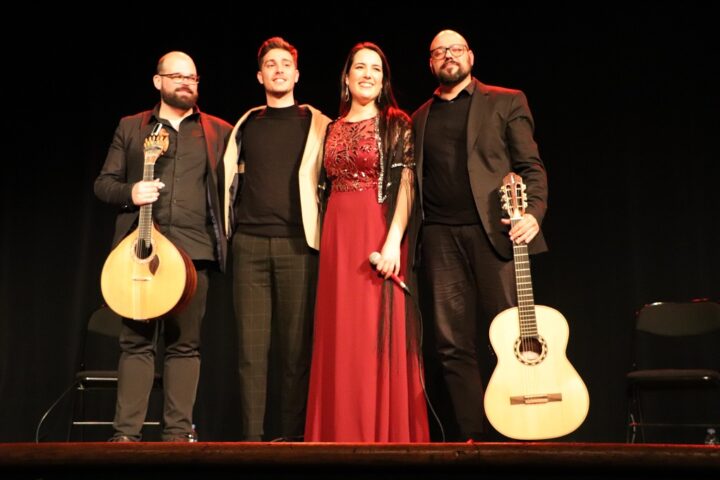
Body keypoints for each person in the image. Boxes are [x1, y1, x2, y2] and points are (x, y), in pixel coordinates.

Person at [411, 30, 548, 441]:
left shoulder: (506, 100)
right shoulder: (419, 118)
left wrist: (534, 214)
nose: (448, 56)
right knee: (451, 345)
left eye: (456, 49)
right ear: (430, 63)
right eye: (439, 52)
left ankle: (519, 432)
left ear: (470, 56)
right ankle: (472, 440)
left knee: (511, 336)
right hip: (439, 238)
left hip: (496, 235)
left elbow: (531, 166)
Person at [94, 51, 232, 442]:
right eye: (177, 76)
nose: (186, 83)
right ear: (158, 81)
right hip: (139, 251)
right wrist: (131, 191)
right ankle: (126, 436)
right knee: (136, 343)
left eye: (192, 77)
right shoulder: (132, 127)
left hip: (194, 253)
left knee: (185, 345)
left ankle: (176, 437)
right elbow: (103, 184)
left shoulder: (218, 131)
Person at [304, 42, 430, 442]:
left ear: (384, 80)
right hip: (337, 236)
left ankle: (379, 434)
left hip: (377, 232)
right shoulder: (331, 127)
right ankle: (337, 433)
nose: (368, 74)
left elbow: (407, 184)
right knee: (339, 334)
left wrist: (393, 242)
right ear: (346, 77)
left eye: (376, 69)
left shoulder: (396, 123)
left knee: (372, 335)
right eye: (360, 67)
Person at [221, 37, 330, 441]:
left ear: (297, 74)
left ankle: (291, 440)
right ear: (259, 76)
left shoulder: (318, 124)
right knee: (250, 354)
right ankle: (252, 442)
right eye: (271, 64)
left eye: (286, 63)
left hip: (298, 246)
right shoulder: (246, 125)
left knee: (295, 354)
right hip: (249, 245)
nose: (279, 69)